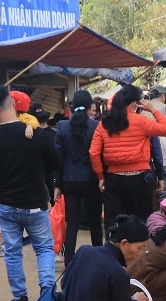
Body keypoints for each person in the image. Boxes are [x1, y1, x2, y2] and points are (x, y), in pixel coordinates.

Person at [0, 84, 62, 301]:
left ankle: (20, 298)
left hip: (7, 204)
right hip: (35, 203)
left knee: (13, 251)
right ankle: (47, 292)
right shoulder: (35, 135)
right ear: (13, 103)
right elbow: (56, 162)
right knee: (44, 248)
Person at [90, 84, 166, 224]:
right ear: (135, 102)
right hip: (137, 178)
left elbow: (93, 152)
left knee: (113, 220)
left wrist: (100, 176)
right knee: (138, 219)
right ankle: (138, 244)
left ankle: (114, 244)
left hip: (113, 178)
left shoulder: (104, 123)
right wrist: (153, 110)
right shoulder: (141, 121)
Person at [56, 89, 103, 263]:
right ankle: (99, 258)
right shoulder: (97, 126)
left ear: (72, 106)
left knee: (72, 223)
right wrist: (101, 177)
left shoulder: (62, 126)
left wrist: (56, 184)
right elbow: (100, 154)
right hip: (91, 180)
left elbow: (57, 158)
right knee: (95, 221)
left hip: (69, 180)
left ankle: (69, 261)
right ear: (91, 106)